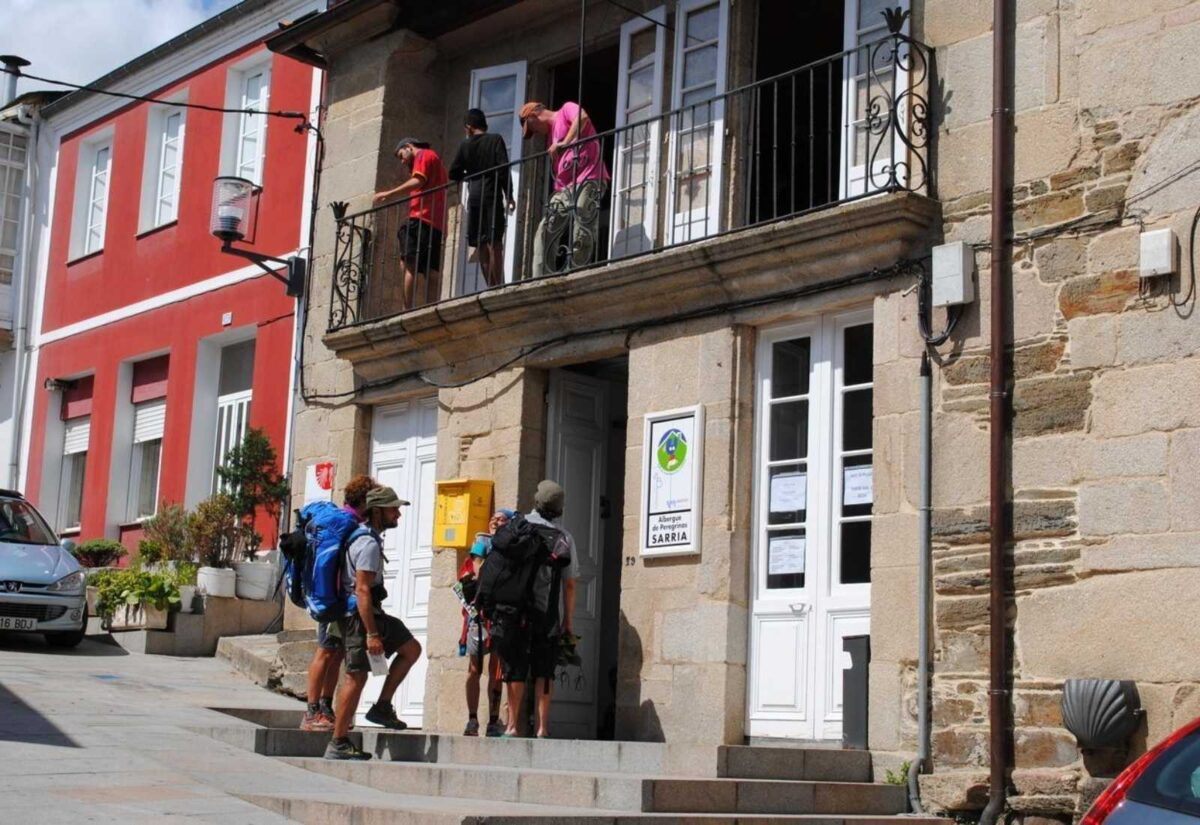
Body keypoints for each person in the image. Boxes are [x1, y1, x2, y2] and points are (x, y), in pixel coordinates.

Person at [325, 486, 423, 761]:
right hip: (360, 618)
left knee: (411, 649)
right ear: (378, 511)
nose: (399, 515)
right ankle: (338, 741)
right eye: (393, 509)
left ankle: (381, 706)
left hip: (369, 615)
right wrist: (371, 634)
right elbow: (363, 591)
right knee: (355, 677)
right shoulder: (367, 544)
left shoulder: (369, 538)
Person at [500, 480, 578, 739]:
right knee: (545, 669)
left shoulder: (516, 528)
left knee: (515, 667)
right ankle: (542, 728)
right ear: (559, 509)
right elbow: (569, 585)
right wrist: (568, 622)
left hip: (514, 611)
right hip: (545, 614)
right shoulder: (563, 538)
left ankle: (511, 725)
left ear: (535, 501)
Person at [300, 474, 377, 732]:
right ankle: (312, 711)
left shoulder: (345, 523)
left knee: (335, 653)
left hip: (335, 600)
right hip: (332, 600)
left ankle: (324, 707)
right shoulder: (344, 525)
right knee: (325, 651)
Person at [520, 101, 610, 276]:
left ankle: (577, 270)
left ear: (533, 116)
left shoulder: (566, 109)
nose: (536, 133)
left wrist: (564, 143)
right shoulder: (550, 137)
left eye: (532, 128)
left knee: (582, 213)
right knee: (546, 228)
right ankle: (540, 278)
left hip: (589, 176)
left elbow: (582, 118)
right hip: (565, 188)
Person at [373, 137, 449, 309]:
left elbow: (418, 180)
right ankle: (431, 307)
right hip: (436, 223)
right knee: (432, 271)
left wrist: (389, 194)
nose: (402, 161)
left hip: (420, 218)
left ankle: (406, 309)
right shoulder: (436, 160)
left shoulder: (423, 155)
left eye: (402, 156)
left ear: (408, 147)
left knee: (408, 265)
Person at [458, 508, 514, 737]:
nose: (496, 521)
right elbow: (468, 576)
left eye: (502, 519)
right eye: (494, 518)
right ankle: (472, 720)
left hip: (499, 615)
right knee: (474, 667)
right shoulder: (479, 545)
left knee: (496, 670)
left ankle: (493, 720)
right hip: (478, 617)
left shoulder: (510, 550)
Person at [448, 109, 515, 288]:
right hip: (491, 195)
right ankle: (498, 285)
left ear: (469, 127)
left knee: (481, 243)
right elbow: (503, 169)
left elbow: (453, 172)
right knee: (495, 242)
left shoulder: (465, 145)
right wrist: (509, 194)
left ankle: (491, 286)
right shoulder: (495, 140)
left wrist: (469, 175)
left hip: (475, 197)